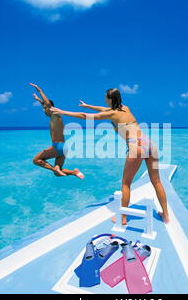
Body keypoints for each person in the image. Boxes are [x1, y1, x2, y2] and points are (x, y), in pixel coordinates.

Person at [50, 88, 170, 224]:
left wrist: (62, 112)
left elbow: (85, 116)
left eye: (105, 98)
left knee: (126, 183)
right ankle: (165, 215)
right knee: (156, 181)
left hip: (136, 147)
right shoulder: (125, 108)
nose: (104, 100)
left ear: (110, 99)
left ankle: (123, 217)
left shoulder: (112, 114)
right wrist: (88, 105)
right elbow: (103, 109)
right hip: (149, 143)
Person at [30, 83, 84, 179]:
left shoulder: (55, 114)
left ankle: (55, 169)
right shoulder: (55, 117)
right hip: (64, 147)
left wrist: (39, 90)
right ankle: (74, 172)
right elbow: (45, 105)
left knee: (36, 160)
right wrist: (38, 100)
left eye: (44, 109)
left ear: (49, 109)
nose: (44, 111)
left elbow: (47, 104)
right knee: (58, 171)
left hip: (58, 146)